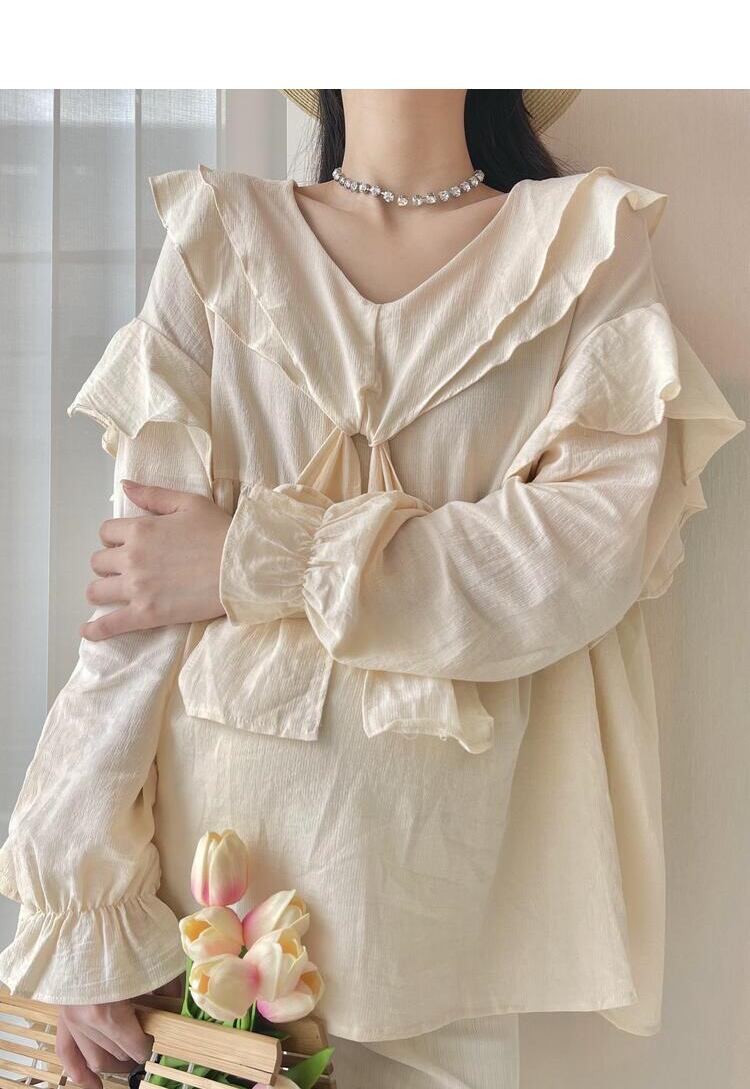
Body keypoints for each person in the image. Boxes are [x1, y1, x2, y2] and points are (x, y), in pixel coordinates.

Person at [0, 89, 745, 1089]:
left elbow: (570, 563)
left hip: (450, 917)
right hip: (205, 904)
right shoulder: (222, 235)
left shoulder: (582, 246)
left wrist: (254, 558)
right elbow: (136, 606)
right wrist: (82, 902)